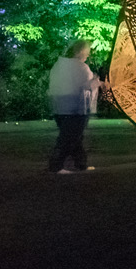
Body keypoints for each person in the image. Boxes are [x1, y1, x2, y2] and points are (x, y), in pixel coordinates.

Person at [45, 40, 103, 173]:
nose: (88, 55)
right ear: (80, 51)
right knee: (69, 138)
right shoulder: (80, 67)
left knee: (74, 138)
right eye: (87, 51)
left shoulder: (59, 66)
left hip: (59, 108)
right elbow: (86, 86)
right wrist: (96, 82)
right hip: (75, 109)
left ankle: (81, 164)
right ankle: (56, 166)